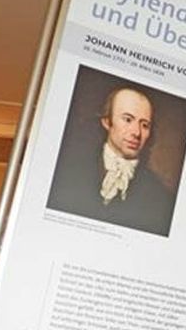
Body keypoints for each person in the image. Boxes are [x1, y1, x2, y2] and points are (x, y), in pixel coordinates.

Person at [46, 85, 177, 236]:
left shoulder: (160, 197)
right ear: (107, 122)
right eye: (127, 119)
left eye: (144, 125)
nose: (136, 132)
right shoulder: (66, 169)